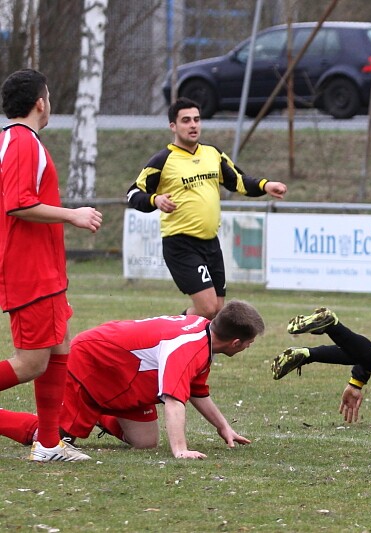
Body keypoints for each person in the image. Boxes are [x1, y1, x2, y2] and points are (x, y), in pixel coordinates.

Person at [0, 300, 264, 459]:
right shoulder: (188, 347)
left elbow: (197, 391)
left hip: (122, 377)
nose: (248, 346)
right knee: (52, 439)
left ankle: (97, 414)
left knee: (145, 442)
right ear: (235, 342)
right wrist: (180, 449)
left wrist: (223, 427)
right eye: (249, 342)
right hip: (92, 363)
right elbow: (174, 401)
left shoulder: (203, 334)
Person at [0, 69, 103, 461]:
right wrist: (73, 215)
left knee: (61, 346)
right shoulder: (21, 141)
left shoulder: (23, 141)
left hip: (45, 269)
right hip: (28, 270)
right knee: (31, 363)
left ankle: (47, 443)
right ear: (40, 103)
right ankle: (45, 444)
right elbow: (18, 204)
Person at [126, 97, 287, 320]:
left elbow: (239, 181)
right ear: (173, 126)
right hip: (181, 244)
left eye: (197, 119)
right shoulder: (163, 160)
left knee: (217, 311)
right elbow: (133, 194)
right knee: (207, 308)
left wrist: (265, 185)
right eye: (186, 120)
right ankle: (167, 332)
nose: (193, 125)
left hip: (211, 243)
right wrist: (155, 200)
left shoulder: (212, 154)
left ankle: (190, 341)